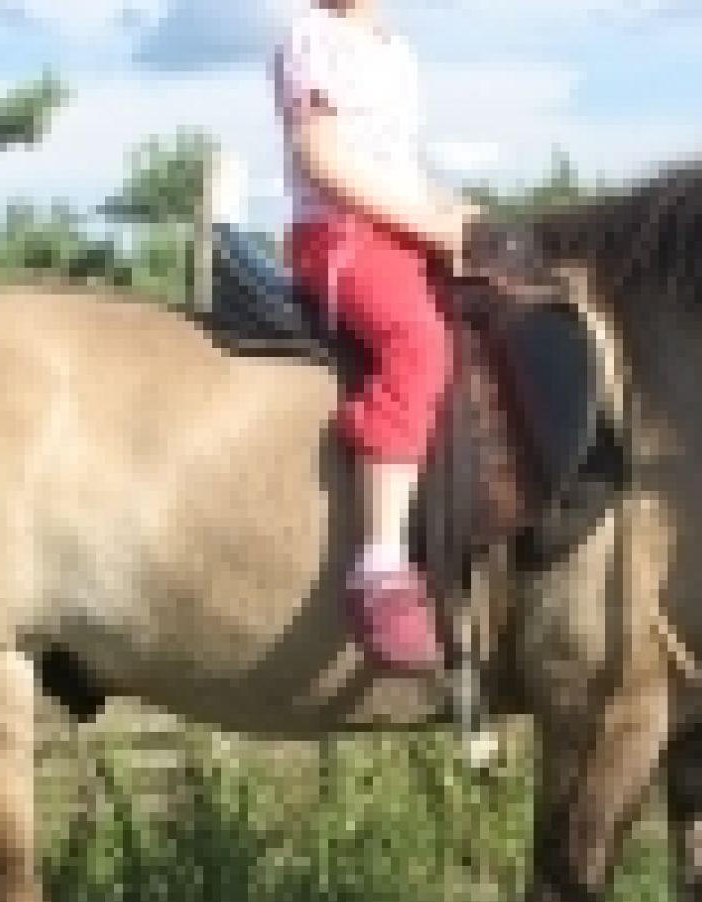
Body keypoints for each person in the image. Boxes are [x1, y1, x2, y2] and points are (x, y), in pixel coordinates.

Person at [270, 0, 473, 672]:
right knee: (417, 342)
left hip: (398, 229)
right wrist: (428, 223)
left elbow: (395, 162)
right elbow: (322, 160)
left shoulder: (394, 50)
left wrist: (448, 209)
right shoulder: (314, 38)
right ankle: (379, 564)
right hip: (342, 235)